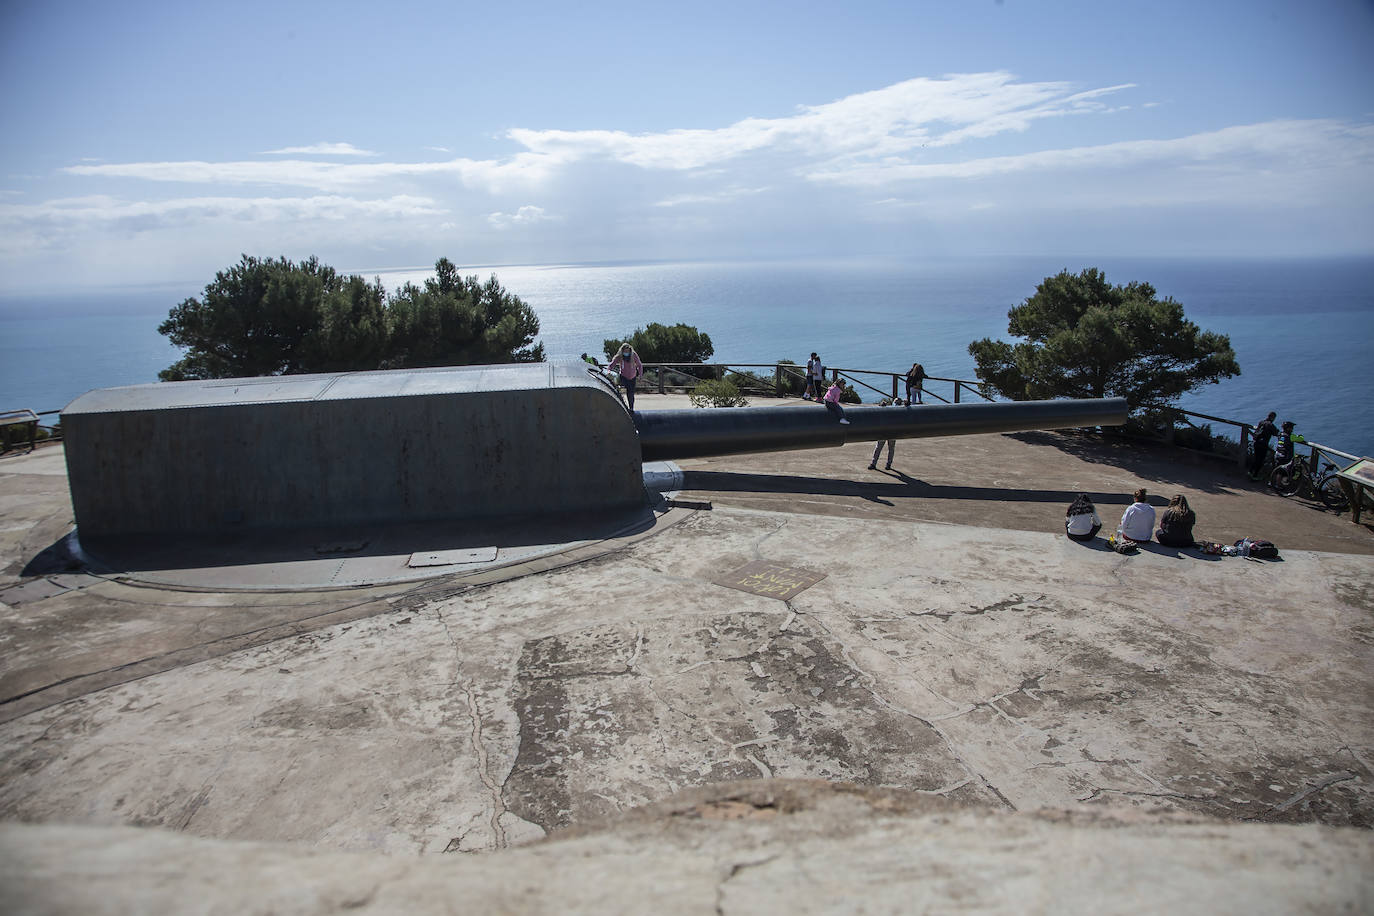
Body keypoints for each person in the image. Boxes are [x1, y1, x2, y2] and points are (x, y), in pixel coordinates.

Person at [607, 342, 644, 410]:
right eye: (625, 351)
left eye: (628, 351)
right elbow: (611, 365)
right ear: (622, 351)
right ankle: (620, 404)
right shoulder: (619, 356)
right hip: (623, 376)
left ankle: (631, 408)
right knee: (619, 389)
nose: (626, 352)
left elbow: (639, 365)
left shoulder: (634, 355)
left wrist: (640, 375)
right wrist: (608, 371)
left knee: (631, 394)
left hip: (632, 377)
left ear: (630, 350)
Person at [868, 398, 902, 469]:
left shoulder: (890, 409)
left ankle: (874, 463)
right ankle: (888, 464)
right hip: (892, 432)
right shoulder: (900, 411)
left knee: (879, 448)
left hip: (885, 431)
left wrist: (882, 405)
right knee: (890, 449)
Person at [1249, 411, 1278, 479]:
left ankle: (1250, 472)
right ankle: (1255, 475)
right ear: (1273, 418)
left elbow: (1257, 430)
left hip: (1256, 442)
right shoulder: (1271, 425)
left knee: (1256, 458)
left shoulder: (1261, 422)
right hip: (1263, 444)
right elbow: (1276, 433)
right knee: (1260, 460)